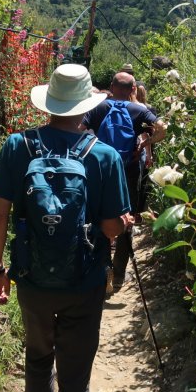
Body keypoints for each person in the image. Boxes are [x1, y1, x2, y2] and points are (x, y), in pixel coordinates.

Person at [0, 64, 133, 392]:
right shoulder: (105, 156)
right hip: (84, 283)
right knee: (75, 376)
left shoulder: (18, 146)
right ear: (87, 105)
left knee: (37, 360)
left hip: (32, 280)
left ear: (48, 102)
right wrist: (121, 223)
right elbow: (111, 226)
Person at [82, 71, 165, 293]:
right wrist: (144, 143)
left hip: (100, 171)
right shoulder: (139, 110)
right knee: (126, 219)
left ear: (111, 86)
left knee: (97, 217)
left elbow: (78, 132)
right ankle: (118, 275)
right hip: (128, 170)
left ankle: (101, 270)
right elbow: (163, 128)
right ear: (132, 91)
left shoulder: (98, 107)